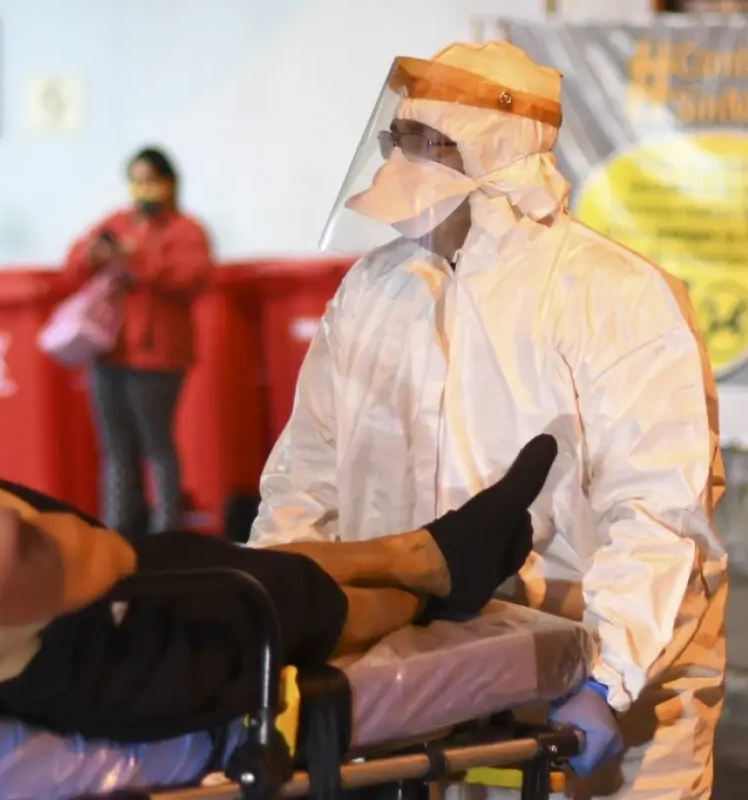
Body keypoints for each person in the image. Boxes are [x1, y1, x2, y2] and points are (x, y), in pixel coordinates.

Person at [0, 280, 557, 743]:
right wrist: (79, 554)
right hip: (38, 652)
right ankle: (433, 590)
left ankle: (426, 554)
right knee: (255, 595)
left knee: (178, 548)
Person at [249, 40, 726, 798]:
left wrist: (610, 679)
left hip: (588, 678)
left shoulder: (614, 296)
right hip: (416, 679)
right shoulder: (375, 291)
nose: (406, 156)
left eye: (431, 140)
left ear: (497, 152)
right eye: (400, 136)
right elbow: (306, 477)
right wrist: (270, 623)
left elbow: (658, 513)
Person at [63, 146, 214, 538]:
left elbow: (191, 278)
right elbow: (73, 260)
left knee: (156, 446)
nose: (142, 189)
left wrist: (136, 261)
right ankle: (118, 532)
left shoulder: (186, 229)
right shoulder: (117, 221)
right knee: (115, 450)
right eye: (136, 180)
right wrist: (94, 254)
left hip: (158, 359)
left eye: (150, 180)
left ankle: (167, 533)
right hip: (110, 353)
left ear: (168, 184)